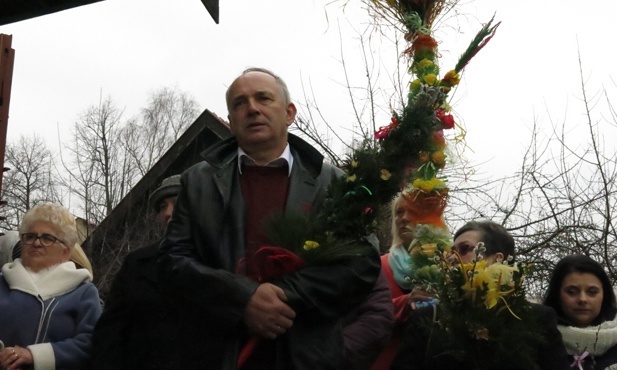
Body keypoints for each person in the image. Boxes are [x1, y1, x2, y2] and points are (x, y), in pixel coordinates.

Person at [159, 67, 381, 369]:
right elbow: (173, 261)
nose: (252, 108)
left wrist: (284, 296)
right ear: (231, 120)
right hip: (220, 353)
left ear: (289, 113)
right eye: (239, 103)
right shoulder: (197, 182)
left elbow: (362, 262)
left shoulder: (332, 183)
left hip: (306, 355)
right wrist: (242, 300)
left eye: (263, 98)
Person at [391, 220, 570, 370]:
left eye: (464, 249)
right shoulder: (430, 318)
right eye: (451, 252)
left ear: (497, 259)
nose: (452, 258)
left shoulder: (536, 318)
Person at [92, 174, 208, 369]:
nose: (168, 213)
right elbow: (108, 335)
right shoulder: (137, 264)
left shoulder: (219, 259)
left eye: (177, 201)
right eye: (162, 206)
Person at [0, 203, 102, 370]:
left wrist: (34, 355)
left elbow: (93, 342)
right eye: (30, 236)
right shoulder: (2, 283)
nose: (37, 243)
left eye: (48, 238)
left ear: (66, 251)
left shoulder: (83, 292)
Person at [369, 193, 433, 369]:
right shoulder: (379, 266)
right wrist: (406, 303)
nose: (404, 218)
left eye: (412, 210)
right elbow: (359, 313)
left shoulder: (446, 266)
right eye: (399, 212)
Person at [543, 254, 617, 370]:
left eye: (592, 292)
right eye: (572, 292)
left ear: (604, 294)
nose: (582, 299)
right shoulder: (536, 340)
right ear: (557, 294)